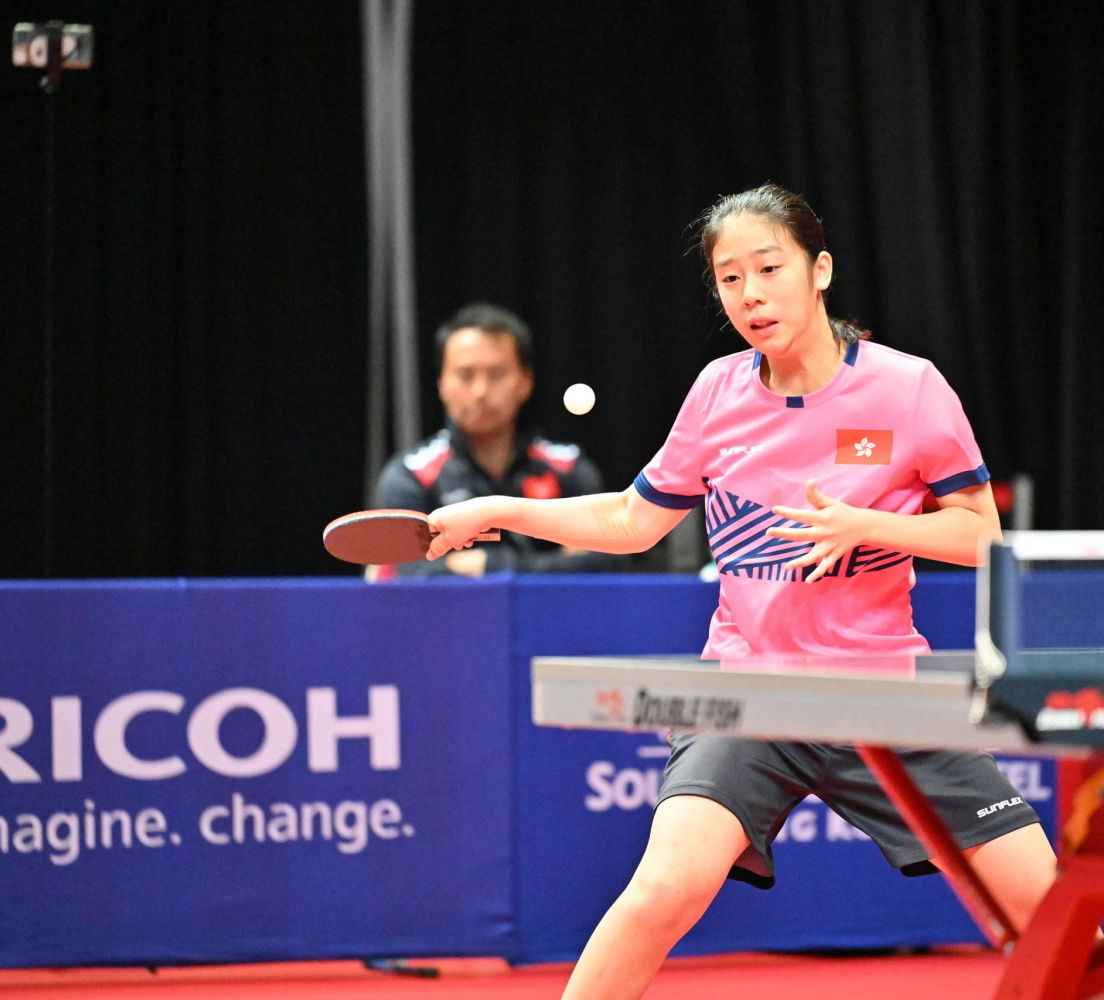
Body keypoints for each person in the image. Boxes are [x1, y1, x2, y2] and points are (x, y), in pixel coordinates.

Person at [425, 185, 1058, 998]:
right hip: (749, 693)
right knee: (663, 889)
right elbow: (632, 519)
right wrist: (497, 510)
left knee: (1043, 906)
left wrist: (869, 527)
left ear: (819, 270)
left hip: (884, 690)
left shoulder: (909, 390)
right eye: (730, 279)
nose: (750, 295)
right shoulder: (718, 394)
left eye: (769, 268)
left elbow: (982, 538)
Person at [371, 302, 620, 578]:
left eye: (496, 374)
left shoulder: (569, 471)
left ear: (525, 382)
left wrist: (489, 564)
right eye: (465, 375)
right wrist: (551, 563)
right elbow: (411, 574)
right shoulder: (410, 478)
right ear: (441, 383)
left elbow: (605, 561)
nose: (480, 390)